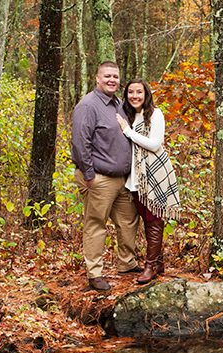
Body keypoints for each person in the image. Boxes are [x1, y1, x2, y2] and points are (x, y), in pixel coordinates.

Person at [71, 62, 142, 292]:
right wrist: (90, 175)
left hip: (123, 179)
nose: (112, 80)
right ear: (97, 78)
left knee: (128, 221)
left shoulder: (119, 105)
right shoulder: (88, 106)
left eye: (115, 76)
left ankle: (127, 263)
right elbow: (80, 143)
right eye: (107, 76)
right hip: (99, 178)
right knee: (96, 224)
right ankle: (95, 273)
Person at [116, 80, 181, 285]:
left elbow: (154, 144)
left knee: (154, 220)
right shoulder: (128, 115)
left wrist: (127, 131)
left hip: (153, 173)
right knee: (147, 220)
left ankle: (150, 266)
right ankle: (159, 262)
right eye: (131, 92)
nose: (135, 96)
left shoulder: (155, 114)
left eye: (139, 92)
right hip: (135, 177)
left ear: (146, 94)